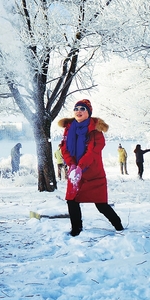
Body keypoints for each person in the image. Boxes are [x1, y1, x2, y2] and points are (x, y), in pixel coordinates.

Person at [57, 99, 123, 236]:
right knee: (71, 201)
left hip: (93, 173)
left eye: (82, 109)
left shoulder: (96, 131)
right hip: (75, 172)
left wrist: (80, 167)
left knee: (101, 204)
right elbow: (64, 148)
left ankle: (118, 225)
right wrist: (73, 165)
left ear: (88, 112)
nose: (78, 111)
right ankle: (76, 229)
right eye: (76, 109)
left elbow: (93, 151)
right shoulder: (69, 128)